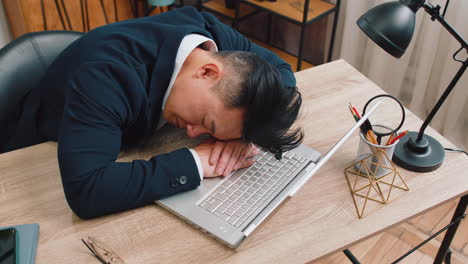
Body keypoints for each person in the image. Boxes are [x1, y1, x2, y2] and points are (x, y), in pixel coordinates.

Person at [2, 7, 303, 219]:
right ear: (208, 71)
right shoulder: (107, 76)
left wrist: (240, 137)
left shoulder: (212, 39)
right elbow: (87, 190)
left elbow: (283, 77)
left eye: (209, 132)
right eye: (206, 123)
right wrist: (197, 161)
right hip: (31, 160)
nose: (193, 134)